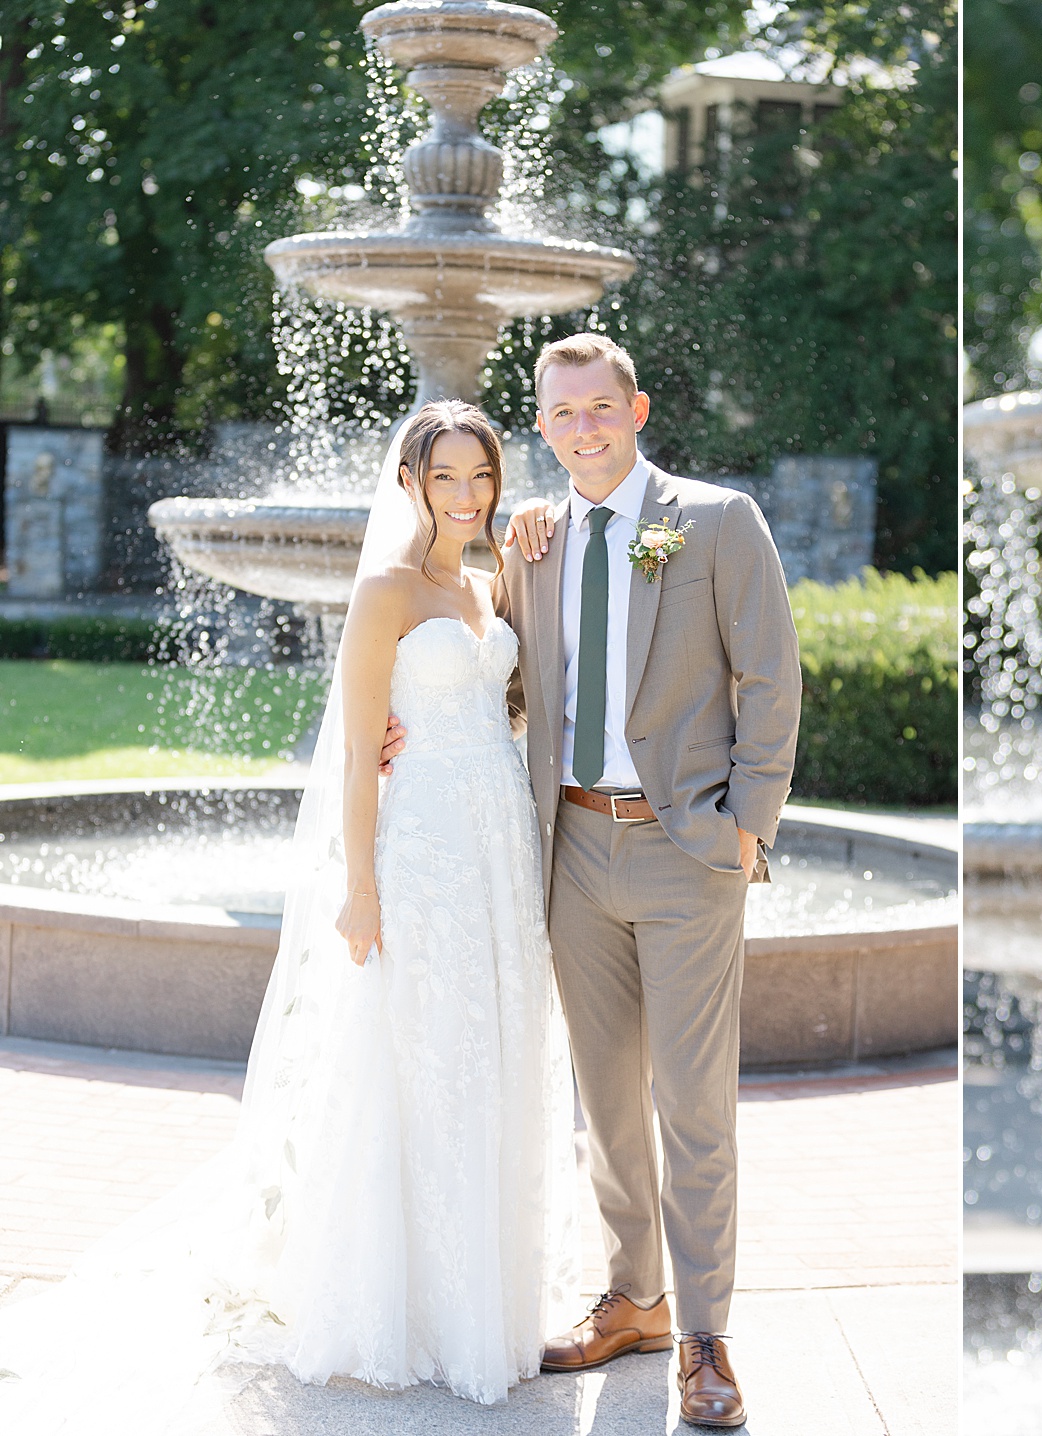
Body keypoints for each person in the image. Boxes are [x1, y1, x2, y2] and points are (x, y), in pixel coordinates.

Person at [0, 401, 580, 1426]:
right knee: (417, 1061)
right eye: (446, 476)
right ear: (410, 480)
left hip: (499, 853)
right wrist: (361, 884)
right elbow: (363, 751)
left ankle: (486, 1304)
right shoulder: (386, 592)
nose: (466, 495)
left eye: (481, 476)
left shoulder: (492, 586)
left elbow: (519, 707)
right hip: (425, 850)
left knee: (488, 1058)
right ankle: (404, 1311)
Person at [413, 331, 802, 1429]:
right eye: (562, 413)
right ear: (543, 428)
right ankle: (635, 1295)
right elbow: (512, 687)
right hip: (572, 851)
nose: (582, 426)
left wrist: (747, 825)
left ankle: (707, 1333)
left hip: (688, 852)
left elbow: (771, 677)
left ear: (635, 411)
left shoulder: (717, 520)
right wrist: (411, 728)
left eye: (599, 407)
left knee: (692, 1102)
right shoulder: (530, 540)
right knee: (603, 1103)